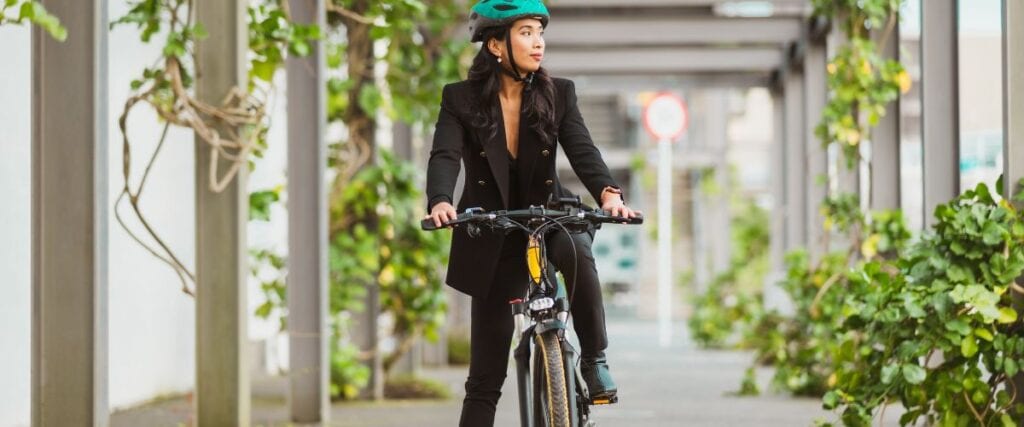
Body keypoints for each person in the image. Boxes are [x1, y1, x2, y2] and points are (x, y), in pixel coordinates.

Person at [424, 0, 640, 425]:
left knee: (577, 250)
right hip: (490, 227)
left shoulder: (559, 93)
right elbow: (444, 154)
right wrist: (440, 201)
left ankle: (594, 359)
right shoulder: (459, 99)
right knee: (484, 378)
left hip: (547, 214)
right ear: (495, 45)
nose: (538, 41)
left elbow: (582, 150)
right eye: (525, 32)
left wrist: (609, 194)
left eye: (540, 32)